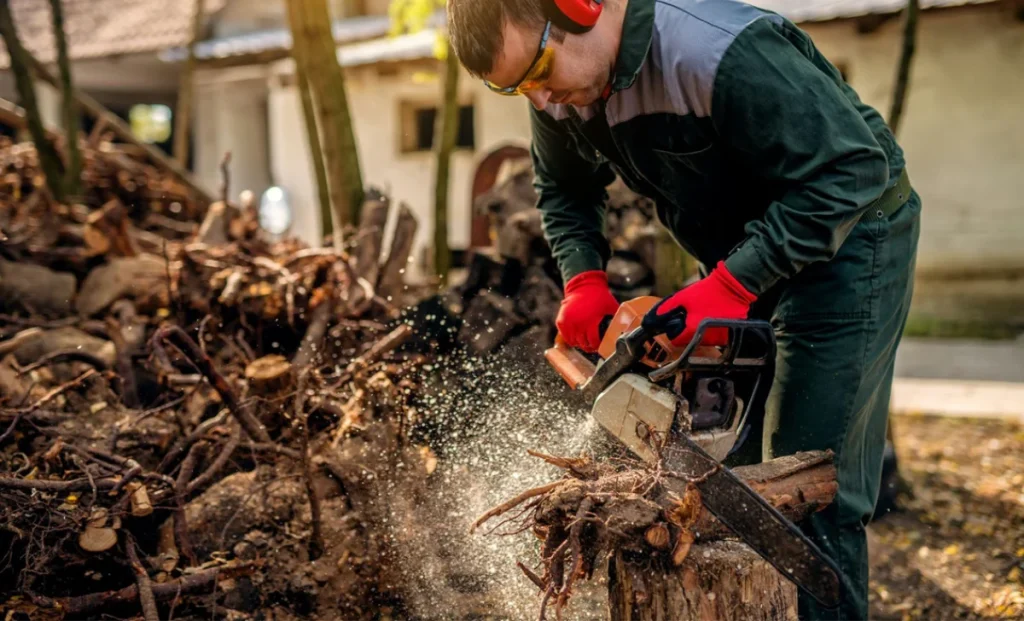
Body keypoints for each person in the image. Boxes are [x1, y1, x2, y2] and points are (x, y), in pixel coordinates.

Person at [446, 0, 920, 618]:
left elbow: (853, 170)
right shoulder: (564, 90)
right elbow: (563, 189)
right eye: (516, 89)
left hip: (850, 245)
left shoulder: (719, 51)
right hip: (737, 256)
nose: (540, 100)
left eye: (538, 69)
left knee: (807, 483)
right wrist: (583, 280)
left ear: (581, 6)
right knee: (721, 475)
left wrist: (729, 286)